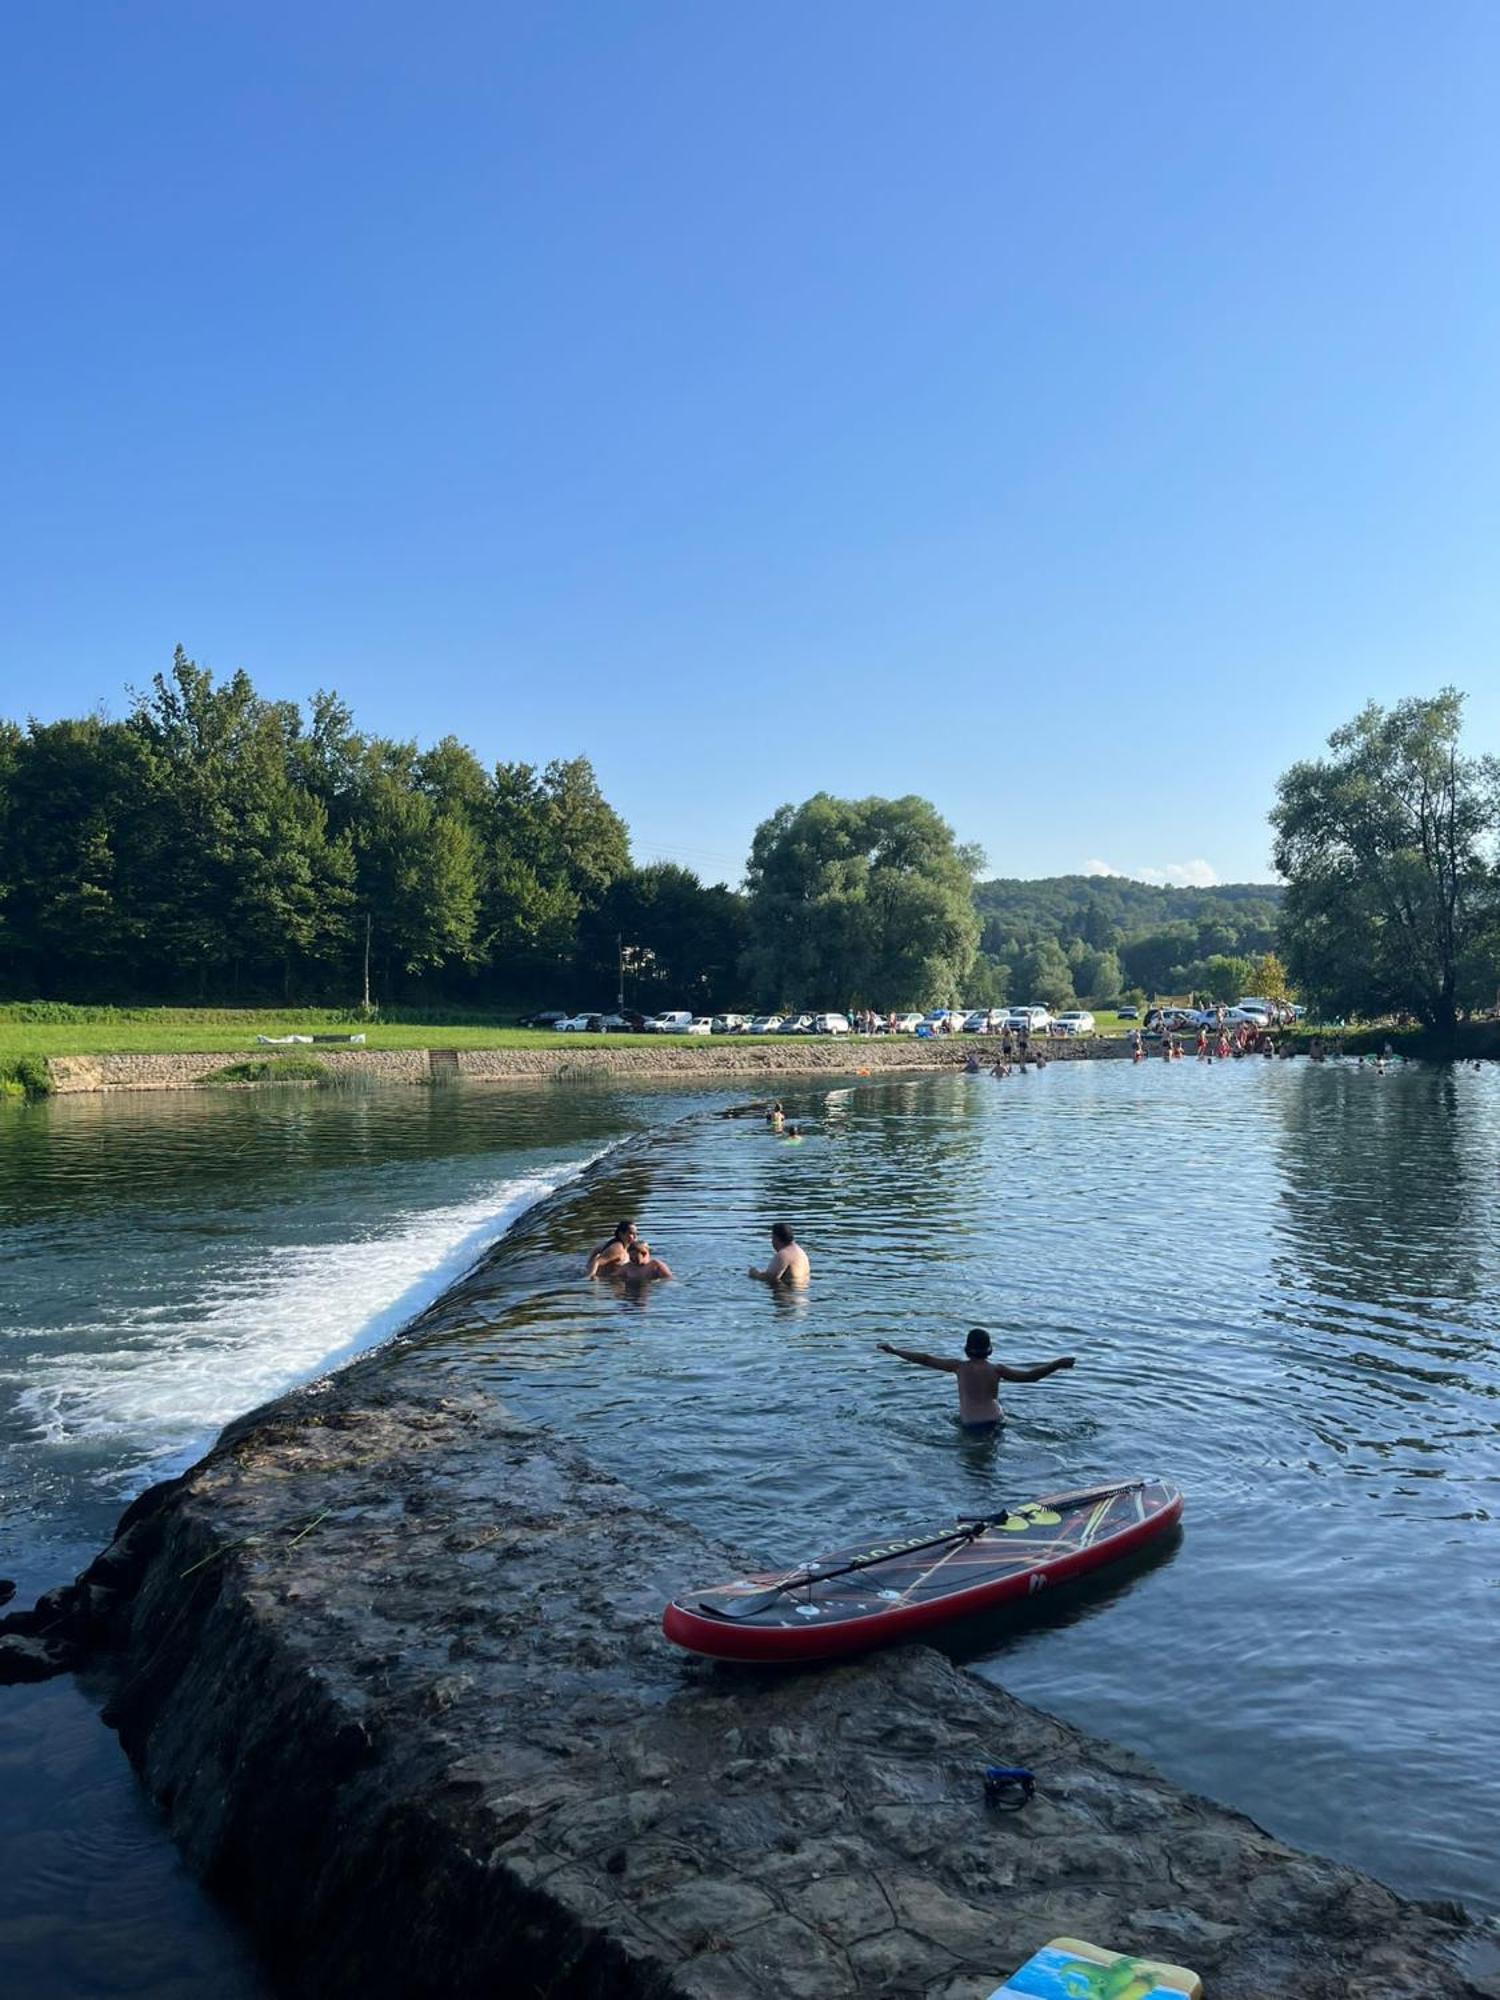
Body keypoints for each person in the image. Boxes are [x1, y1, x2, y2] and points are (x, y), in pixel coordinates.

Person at [877, 1327, 1076, 1429]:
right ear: (990, 1350)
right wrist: (1056, 1364)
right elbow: (1031, 1377)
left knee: (973, 1464)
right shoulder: (997, 1370)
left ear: (966, 1348)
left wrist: (894, 1350)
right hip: (996, 1420)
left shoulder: (958, 1367)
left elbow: (925, 1359)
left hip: (970, 1423)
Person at [748, 1221, 810, 1287]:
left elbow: (769, 1278)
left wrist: (754, 1274)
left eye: (772, 1238)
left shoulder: (784, 1254)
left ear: (776, 1238)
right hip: (802, 1295)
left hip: (787, 1295)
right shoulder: (801, 1252)